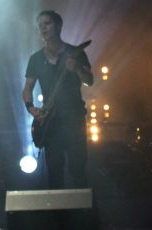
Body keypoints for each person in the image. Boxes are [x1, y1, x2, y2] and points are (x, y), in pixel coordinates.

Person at [23, 10, 93, 189]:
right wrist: (31, 107)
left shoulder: (75, 53)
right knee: (54, 171)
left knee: (78, 169)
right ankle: (56, 207)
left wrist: (77, 68)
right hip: (51, 121)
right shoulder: (36, 59)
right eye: (40, 25)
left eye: (47, 23)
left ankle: (83, 206)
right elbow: (28, 87)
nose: (43, 28)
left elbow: (89, 81)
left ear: (58, 26)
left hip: (74, 118)